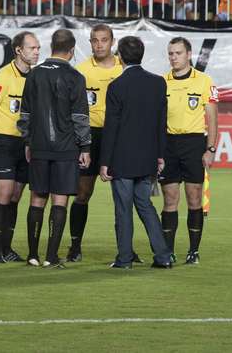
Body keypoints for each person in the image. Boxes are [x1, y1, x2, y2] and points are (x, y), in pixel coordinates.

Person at [18, 29, 91, 268]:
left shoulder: (34, 75)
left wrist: (28, 141)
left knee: (37, 198)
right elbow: (80, 117)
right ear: (72, 50)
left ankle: (32, 255)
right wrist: (86, 147)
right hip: (65, 148)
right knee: (60, 201)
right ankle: (51, 256)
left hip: (38, 147)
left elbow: (25, 114)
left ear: (51, 47)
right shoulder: (75, 77)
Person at [99, 36, 172, 269]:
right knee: (145, 205)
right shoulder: (158, 83)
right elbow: (162, 123)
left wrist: (105, 161)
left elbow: (112, 127)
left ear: (119, 56)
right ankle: (162, 257)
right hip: (148, 157)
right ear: (142, 55)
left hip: (122, 159)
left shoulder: (117, 86)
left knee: (123, 209)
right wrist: (160, 155)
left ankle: (124, 259)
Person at [65, 24, 124, 263]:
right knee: (82, 193)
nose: (99, 44)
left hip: (118, 136)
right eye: (94, 40)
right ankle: (75, 246)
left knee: (123, 195)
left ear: (112, 41)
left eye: (104, 40)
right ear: (89, 43)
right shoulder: (81, 71)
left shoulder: (124, 68)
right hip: (88, 137)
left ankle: (126, 248)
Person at [157, 37, 218, 265]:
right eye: (171, 53)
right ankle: (168, 251)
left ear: (189, 54)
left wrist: (210, 148)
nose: (174, 57)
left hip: (194, 144)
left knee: (194, 198)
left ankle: (193, 251)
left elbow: (212, 117)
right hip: (168, 144)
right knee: (170, 199)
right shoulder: (161, 82)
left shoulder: (205, 81)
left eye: (178, 53)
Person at [0, 31, 41, 263]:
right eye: (32, 48)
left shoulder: (36, 77)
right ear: (19, 50)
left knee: (16, 195)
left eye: (38, 48)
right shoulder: (2, 76)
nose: (36, 52)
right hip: (4, 141)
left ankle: (7, 248)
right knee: (4, 194)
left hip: (25, 144)